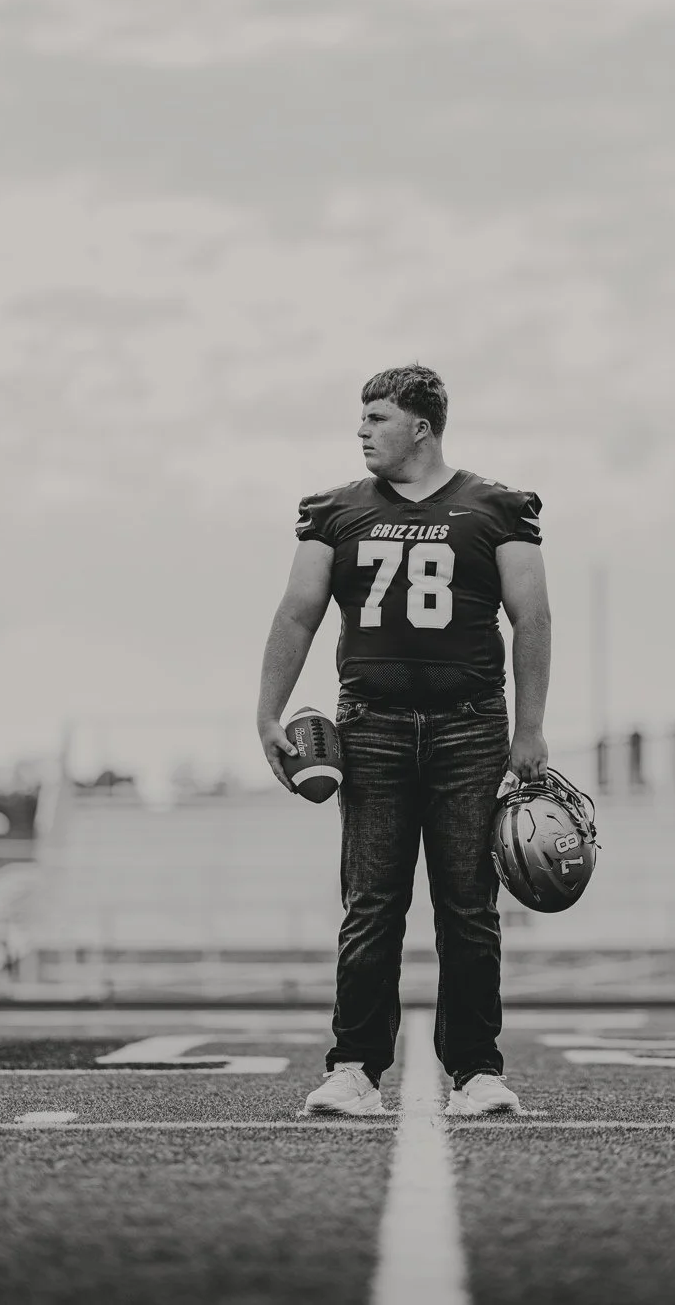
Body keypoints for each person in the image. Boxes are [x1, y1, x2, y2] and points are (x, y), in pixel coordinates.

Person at [256, 363, 550, 1115]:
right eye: (361, 417)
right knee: (372, 905)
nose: (362, 430)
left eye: (377, 417)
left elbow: (533, 618)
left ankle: (478, 1071)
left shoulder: (496, 507)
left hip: (471, 726)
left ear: (420, 426)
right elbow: (298, 613)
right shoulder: (335, 510)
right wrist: (268, 713)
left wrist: (532, 729)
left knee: (467, 907)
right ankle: (354, 1067)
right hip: (372, 727)